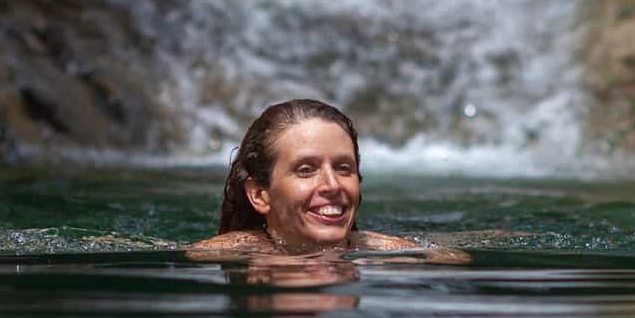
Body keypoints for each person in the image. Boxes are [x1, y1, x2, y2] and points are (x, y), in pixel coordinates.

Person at [187, 99, 466, 262]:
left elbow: (453, 257)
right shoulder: (224, 253)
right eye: (306, 170)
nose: (333, 185)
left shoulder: (382, 251)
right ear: (260, 194)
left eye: (344, 168)